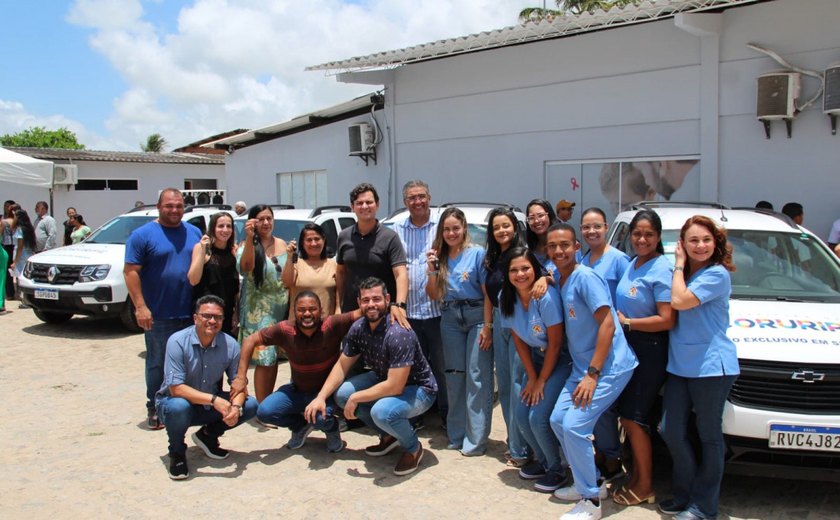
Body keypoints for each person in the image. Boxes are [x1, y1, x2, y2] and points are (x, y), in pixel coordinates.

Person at [546, 223, 638, 520]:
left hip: (607, 368)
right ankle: (591, 482)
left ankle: (591, 503)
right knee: (559, 420)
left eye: (565, 245)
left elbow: (608, 324)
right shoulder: (559, 278)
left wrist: (593, 373)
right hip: (583, 367)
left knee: (575, 427)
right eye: (552, 246)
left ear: (576, 247)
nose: (559, 251)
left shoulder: (586, 278)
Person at [305, 277, 438, 476]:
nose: (371, 305)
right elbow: (342, 365)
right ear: (359, 303)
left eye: (376, 299)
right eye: (366, 300)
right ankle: (389, 436)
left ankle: (412, 448)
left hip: (419, 390)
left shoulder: (398, 333)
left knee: (381, 412)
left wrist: (357, 397)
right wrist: (321, 397)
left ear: (387, 299)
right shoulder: (359, 328)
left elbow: (395, 386)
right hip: (384, 379)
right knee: (342, 394)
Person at [657, 215, 738, 520]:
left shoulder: (716, 275)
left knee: (709, 436)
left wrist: (677, 263)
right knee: (670, 430)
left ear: (715, 242)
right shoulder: (686, 274)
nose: (700, 245)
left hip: (711, 368)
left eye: (706, 239)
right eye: (693, 240)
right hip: (680, 366)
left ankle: (704, 506)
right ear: (683, 243)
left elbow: (678, 301)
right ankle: (685, 493)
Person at [233, 291, 362, 453]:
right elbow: (250, 340)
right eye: (301, 309)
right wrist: (240, 377)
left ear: (321, 310)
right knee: (265, 412)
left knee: (320, 419)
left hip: (325, 393)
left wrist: (394, 307)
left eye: (312, 309)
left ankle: (332, 429)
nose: (307, 313)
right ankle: (300, 425)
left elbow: (363, 310)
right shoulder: (285, 330)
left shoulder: (332, 324)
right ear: (294, 311)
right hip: (297, 390)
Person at [155, 295, 258, 480]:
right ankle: (177, 452)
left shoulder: (230, 344)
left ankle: (208, 436)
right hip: (174, 404)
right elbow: (176, 389)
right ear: (195, 318)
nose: (212, 321)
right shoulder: (177, 341)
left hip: (208, 405)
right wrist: (214, 400)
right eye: (206, 316)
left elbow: (239, 385)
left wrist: (235, 407)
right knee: (178, 406)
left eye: (218, 317)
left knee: (250, 405)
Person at [612, 210, 675, 507]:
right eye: (637, 233)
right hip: (629, 346)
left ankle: (646, 484)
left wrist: (629, 324)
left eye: (649, 234)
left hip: (649, 348)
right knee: (630, 417)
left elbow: (667, 319)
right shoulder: (633, 263)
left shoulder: (661, 269)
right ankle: (636, 477)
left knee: (634, 418)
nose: (642, 239)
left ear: (658, 237)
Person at [125, 188, 202, 430]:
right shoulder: (142, 235)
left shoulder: (195, 232)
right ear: (159, 207)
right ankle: (155, 406)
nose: (175, 210)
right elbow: (130, 272)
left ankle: (184, 407)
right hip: (158, 314)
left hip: (190, 313)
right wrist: (140, 307)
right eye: (169, 206)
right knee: (158, 362)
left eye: (179, 206)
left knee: (191, 363)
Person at [498, 247, 572, 493]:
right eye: (514, 270)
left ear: (535, 269)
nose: (520, 274)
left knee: (538, 417)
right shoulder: (505, 297)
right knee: (520, 415)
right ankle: (544, 461)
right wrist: (531, 377)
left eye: (525, 268)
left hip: (559, 360)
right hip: (536, 361)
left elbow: (556, 343)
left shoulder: (545, 296)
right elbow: (519, 339)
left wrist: (541, 380)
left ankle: (557, 469)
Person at [426, 207, 492, 456]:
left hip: (476, 316)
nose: (451, 233)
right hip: (450, 317)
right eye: (446, 229)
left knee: (476, 377)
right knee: (454, 376)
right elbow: (433, 294)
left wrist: (487, 327)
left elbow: (487, 295)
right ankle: (456, 435)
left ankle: (475, 440)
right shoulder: (439, 257)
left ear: (464, 228)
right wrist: (432, 268)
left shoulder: (477, 254)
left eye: (455, 228)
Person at [579, 207, 630, 481]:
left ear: (606, 227)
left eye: (596, 226)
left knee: (605, 406)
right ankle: (599, 451)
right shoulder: (581, 259)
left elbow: (625, 298)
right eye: (586, 227)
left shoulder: (619, 260)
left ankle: (611, 457)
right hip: (585, 341)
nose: (591, 231)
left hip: (609, 341)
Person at [393, 180, 447, 426]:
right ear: (405, 202)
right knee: (412, 367)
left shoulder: (442, 226)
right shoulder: (396, 227)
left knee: (443, 366)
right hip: (408, 313)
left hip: (438, 311)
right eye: (412, 198)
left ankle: (446, 415)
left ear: (429, 197)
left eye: (422, 196)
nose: (418, 201)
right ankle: (416, 415)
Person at [483, 207, 529, 467]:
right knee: (507, 384)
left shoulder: (523, 255)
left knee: (517, 384)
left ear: (515, 227)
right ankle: (515, 443)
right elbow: (488, 295)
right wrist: (488, 326)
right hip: (499, 320)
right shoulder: (491, 258)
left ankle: (522, 448)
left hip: (519, 322)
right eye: (497, 227)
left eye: (506, 226)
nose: (502, 231)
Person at [335, 183, 409, 328]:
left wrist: (400, 306)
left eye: (369, 202)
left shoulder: (390, 237)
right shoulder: (344, 236)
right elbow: (340, 273)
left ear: (377, 204)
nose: (364, 206)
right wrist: (338, 306)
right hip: (352, 315)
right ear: (352, 207)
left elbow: (401, 274)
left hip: (382, 315)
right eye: (359, 203)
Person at [237, 204, 290, 403]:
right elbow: (246, 267)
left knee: (273, 357)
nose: (266, 223)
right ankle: (262, 406)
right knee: (265, 357)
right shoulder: (246, 246)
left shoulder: (282, 244)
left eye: (269, 218)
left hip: (280, 310)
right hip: (258, 312)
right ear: (253, 222)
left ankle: (266, 403)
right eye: (261, 219)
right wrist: (250, 238)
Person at [188, 212, 240, 335]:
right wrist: (202, 252)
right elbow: (193, 280)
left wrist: (236, 313)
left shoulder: (234, 251)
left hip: (226, 312)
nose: (225, 230)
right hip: (206, 312)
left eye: (229, 226)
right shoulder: (202, 248)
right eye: (221, 226)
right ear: (213, 228)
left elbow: (236, 288)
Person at [281, 223, 339, 321]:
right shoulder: (295, 264)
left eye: (317, 239)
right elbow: (287, 282)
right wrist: (290, 257)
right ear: (302, 243)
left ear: (324, 240)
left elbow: (339, 297)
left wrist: (337, 316)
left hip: (326, 326)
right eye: (309, 240)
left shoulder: (334, 265)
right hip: (298, 325)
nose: (313, 243)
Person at [12, 208, 35, 306]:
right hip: (28, 253)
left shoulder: (19, 229)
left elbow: (20, 247)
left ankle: (25, 301)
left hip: (21, 256)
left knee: (21, 278)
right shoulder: (28, 228)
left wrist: (15, 261)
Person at [2, 200, 16, 301]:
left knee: (14, 269)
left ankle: (15, 292)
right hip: (4, 244)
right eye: (6, 206)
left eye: (9, 206)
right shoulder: (2, 218)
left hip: (14, 245)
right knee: (6, 270)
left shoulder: (16, 218)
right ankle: (9, 293)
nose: (7, 208)